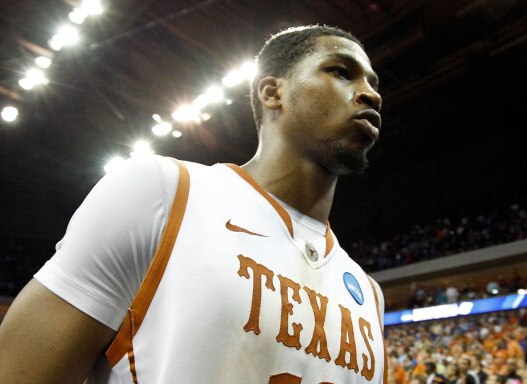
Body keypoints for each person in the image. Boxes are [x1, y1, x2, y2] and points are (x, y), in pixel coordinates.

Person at [0, 24, 385, 383]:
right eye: (341, 72)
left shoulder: (370, 295)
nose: (371, 93)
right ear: (272, 93)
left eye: (373, 82)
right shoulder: (162, 193)